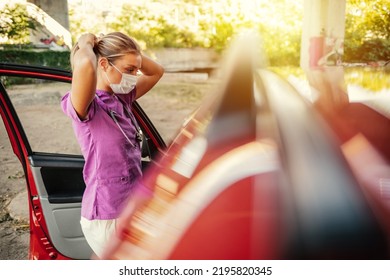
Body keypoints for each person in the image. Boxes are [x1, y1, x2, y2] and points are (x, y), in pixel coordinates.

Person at [61, 32, 164, 258]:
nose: (134, 76)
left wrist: (130, 54)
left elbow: (157, 71)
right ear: (104, 64)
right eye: (129, 71)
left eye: (135, 71)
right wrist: (86, 43)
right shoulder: (87, 107)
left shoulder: (122, 97)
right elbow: (87, 66)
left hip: (130, 206)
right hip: (108, 213)